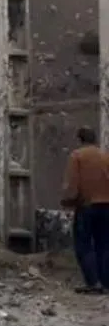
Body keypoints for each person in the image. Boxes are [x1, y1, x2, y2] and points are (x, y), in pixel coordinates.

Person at [61, 126, 109, 293]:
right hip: (106, 206)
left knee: (84, 245)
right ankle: (105, 283)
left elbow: (73, 184)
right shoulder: (105, 156)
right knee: (104, 244)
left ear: (80, 140)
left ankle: (93, 283)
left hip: (87, 206)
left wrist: (68, 201)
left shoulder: (77, 156)